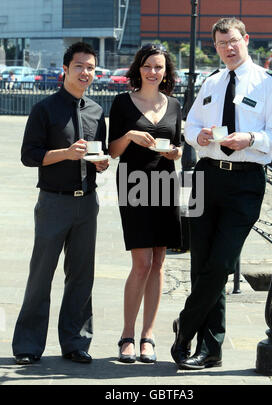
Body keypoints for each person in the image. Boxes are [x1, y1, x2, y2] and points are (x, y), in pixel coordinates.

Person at [171, 17, 272, 369]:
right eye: (221, 44)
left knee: (220, 264)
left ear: (246, 39)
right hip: (206, 176)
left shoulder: (268, 84)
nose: (228, 49)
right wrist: (198, 137)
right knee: (201, 262)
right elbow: (189, 127)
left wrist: (249, 139)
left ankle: (185, 326)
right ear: (215, 46)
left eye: (233, 41)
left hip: (245, 181)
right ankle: (211, 348)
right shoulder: (212, 82)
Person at [12, 42, 109, 365]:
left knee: (82, 276)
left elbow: (100, 151)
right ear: (65, 70)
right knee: (41, 275)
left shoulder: (96, 111)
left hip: (87, 204)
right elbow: (29, 156)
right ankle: (28, 345)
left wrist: (101, 162)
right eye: (80, 66)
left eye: (91, 67)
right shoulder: (44, 109)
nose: (86, 72)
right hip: (53, 203)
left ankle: (76, 342)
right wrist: (66, 154)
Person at [108, 43, 182, 363]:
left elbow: (179, 148)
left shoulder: (176, 104)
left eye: (159, 67)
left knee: (159, 262)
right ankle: (127, 334)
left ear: (166, 72)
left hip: (166, 184)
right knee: (141, 263)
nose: (154, 72)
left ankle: (148, 337)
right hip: (134, 185)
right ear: (139, 67)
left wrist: (175, 153)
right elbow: (112, 151)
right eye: (148, 66)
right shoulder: (122, 103)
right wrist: (130, 137)